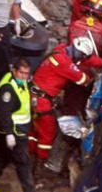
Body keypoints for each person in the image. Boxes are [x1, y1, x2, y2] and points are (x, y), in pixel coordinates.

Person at [30, 36, 96, 168]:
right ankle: (41, 163)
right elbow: (83, 80)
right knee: (48, 131)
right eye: (82, 56)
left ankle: (29, 155)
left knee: (34, 129)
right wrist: (93, 76)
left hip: (33, 94)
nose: (81, 59)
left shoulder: (59, 50)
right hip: (42, 100)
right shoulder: (65, 63)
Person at [0, 57, 36, 192]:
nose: (24, 77)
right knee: (23, 163)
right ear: (14, 71)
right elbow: (4, 113)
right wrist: (8, 134)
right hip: (14, 132)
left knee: (1, 156)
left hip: (18, 131)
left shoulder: (23, 83)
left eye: (26, 74)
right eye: (21, 73)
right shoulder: (8, 89)